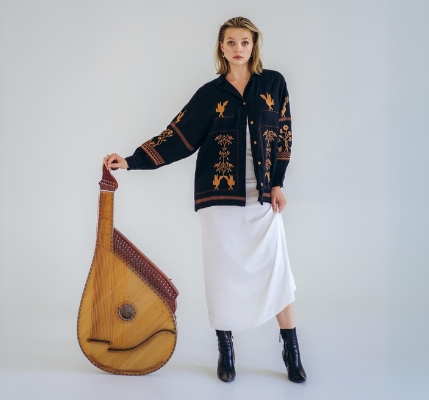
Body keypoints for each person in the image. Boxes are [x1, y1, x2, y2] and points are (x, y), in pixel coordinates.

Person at [103, 16, 306, 383]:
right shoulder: (210, 94)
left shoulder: (273, 84)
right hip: (218, 197)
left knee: (277, 272)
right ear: (221, 48)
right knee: (221, 274)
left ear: (254, 45)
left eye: (244, 42)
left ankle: (291, 349)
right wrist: (131, 161)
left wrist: (277, 183)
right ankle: (225, 349)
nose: (238, 48)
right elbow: (177, 137)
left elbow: (284, 135)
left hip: (260, 194)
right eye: (231, 42)